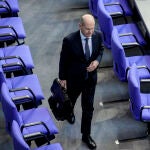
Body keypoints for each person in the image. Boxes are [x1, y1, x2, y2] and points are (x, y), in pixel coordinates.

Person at [59, 14, 104, 149]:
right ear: (80, 26)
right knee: (70, 101)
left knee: (88, 107)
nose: (90, 32)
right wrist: (62, 78)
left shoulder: (97, 35)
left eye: (92, 28)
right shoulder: (69, 40)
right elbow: (63, 60)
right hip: (74, 79)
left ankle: (86, 135)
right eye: (87, 29)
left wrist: (96, 62)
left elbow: (100, 50)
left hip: (90, 80)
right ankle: (69, 113)